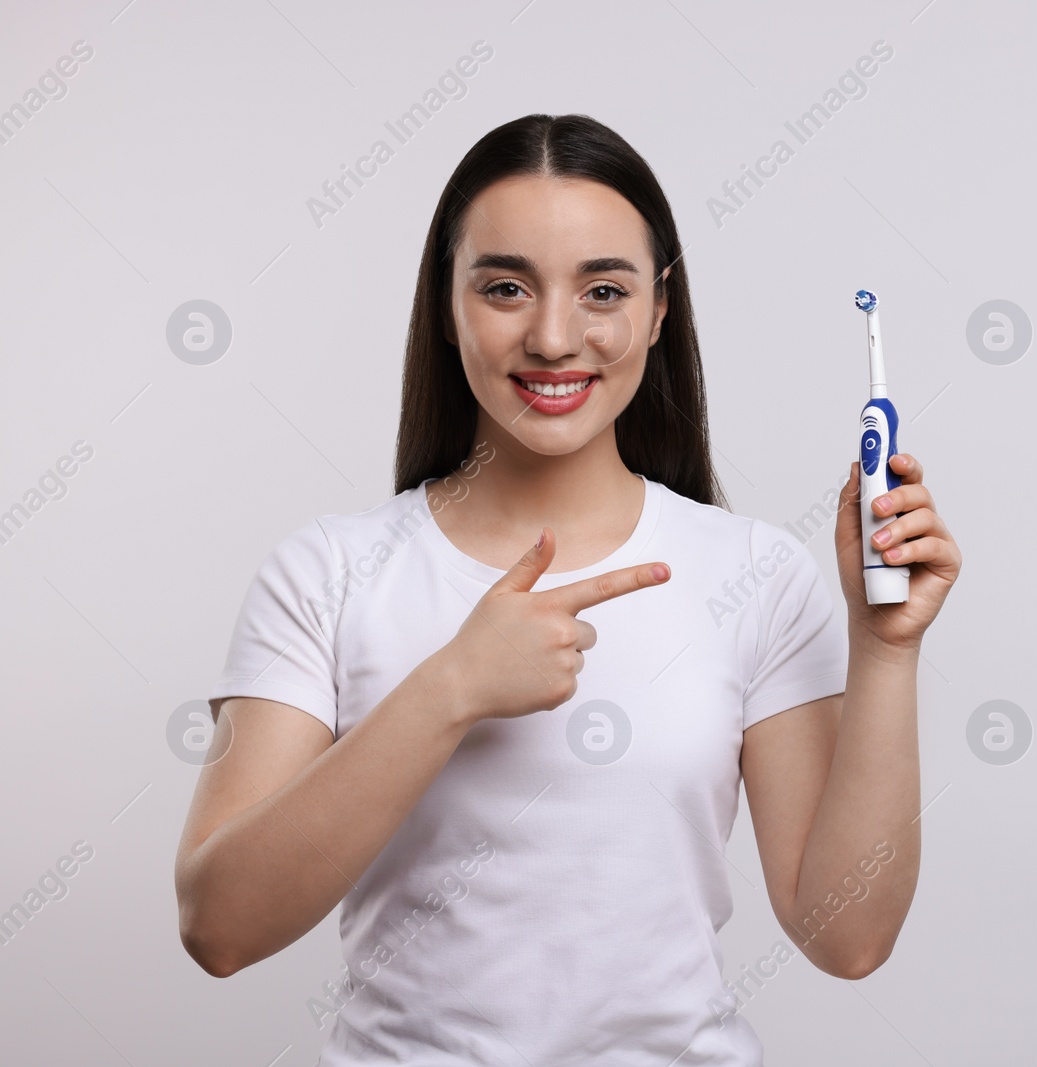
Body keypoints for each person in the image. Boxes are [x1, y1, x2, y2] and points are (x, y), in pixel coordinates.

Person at [174, 113, 961, 1065]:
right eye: (505, 286)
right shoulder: (324, 574)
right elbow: (219, 925)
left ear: (660, 309)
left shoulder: (755, 576)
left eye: (603, 290)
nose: (554, 336)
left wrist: (886, 650)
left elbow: (848, 936)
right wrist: (450, 689)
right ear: (446, 302)